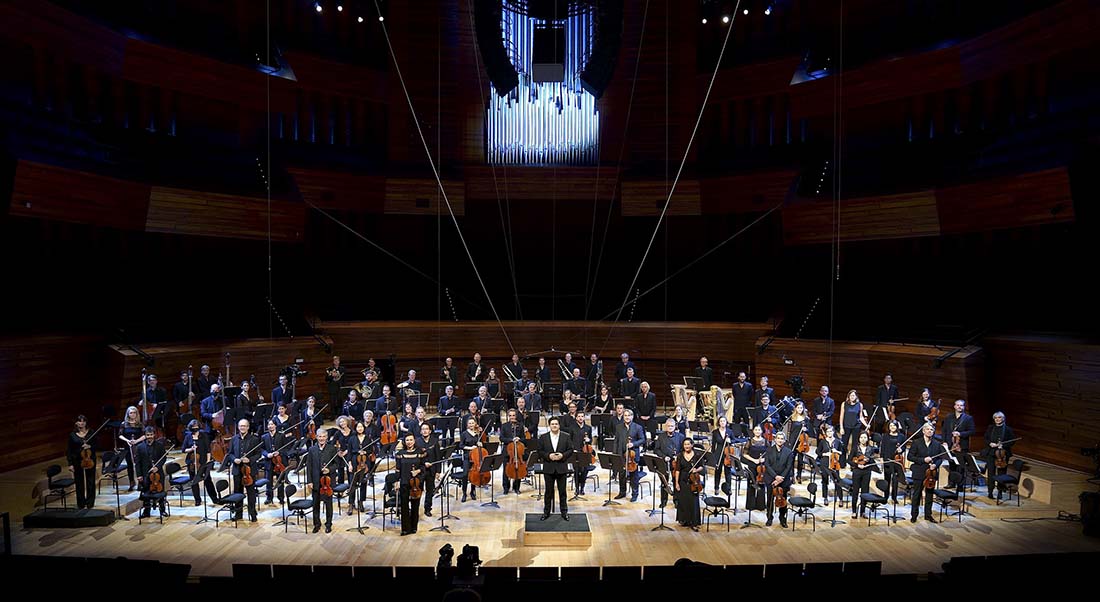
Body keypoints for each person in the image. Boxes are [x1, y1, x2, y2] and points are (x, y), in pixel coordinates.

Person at [908, 422, 945, 522]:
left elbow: (940, 458)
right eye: (928, 429)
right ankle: (914, 515)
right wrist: (923, 460)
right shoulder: (916, 442)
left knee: (929, 495)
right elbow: (910, 457)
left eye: (932, 430)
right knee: (917, 494)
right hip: (919, 472)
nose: (930, 431)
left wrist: (935, 465)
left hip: (931, 473)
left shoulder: (937, 444)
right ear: (923, 431)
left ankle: (928, 515)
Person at [225, 418, 261, 522]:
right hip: (237, 469)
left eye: (244, 426)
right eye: (241, 426)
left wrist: (249, 459)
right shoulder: (234, 439)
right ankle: (238, 513)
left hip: (249, 470)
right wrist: (234, 459)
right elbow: (230, 453)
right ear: (238, 427)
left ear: (248, 427)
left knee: (251, 493)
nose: (242, 428)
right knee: (238, 493)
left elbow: (258, 454)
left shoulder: (254, 439)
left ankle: (252, 514)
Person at [538, 417, 573, 520]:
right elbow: (540, 451)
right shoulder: (543, 437)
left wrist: (562, 455)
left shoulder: (566, 436)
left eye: (556, 424)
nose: (554, 426)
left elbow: (570, 449)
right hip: (549, 468)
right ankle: (546, 512)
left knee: (563, 492)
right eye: (552, 424)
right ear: (549, 426)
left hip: (561, 467)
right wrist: (548, 456)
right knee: (548, 492)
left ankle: (564, 512)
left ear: (559, 425)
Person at [307, 428, 337, 533]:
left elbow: (336, 464)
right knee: (316, 504)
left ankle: (328, 524)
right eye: (320, 436)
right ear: (316, 437)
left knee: (328, 504)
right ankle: (317, 524)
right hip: (315, 481)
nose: (321, 438)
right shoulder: (312, 449)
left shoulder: (332, 448)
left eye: (324, 436)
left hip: (328, 481)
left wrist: (330, 469)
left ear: (327, 437)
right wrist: (309, 481)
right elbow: (309, 466)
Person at [612, 409, 646, 501]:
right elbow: (616, 441)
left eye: (629, 415)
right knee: (622, 475)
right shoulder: (619, 427)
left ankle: (634, 494)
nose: (627, 417)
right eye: (625, 415)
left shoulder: (638, 427)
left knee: (633, 476)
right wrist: (615, 454)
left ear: (632, 416)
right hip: (621, 454)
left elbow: (643, 440)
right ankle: (622, 492)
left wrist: (633, 444)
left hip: (632, 456)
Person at [134, 426, 167, 518]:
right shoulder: (140, 447)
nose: (149, 436)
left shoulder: (160, 445)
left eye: (151, 434)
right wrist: (139, 475)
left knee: (160, 491)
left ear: (154, 435)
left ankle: (162, 510)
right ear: (145, 435)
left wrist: (157, 467)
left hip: (158, 474)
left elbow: (163, 458)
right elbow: (137, 462)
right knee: (146, 493)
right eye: (147, 435)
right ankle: (146, 511)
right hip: (145, 474)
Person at [983, 411, 1016, 500]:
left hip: (1002, 454)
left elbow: (1012, 441)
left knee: (1001, 473)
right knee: (991, 473)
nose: (997, 419)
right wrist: (990, 443)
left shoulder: (1008, 429)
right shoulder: (990, 428)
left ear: (1003, 418)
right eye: (996, 418)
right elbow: (985, 438)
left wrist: (1003, 445)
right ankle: (990, 491)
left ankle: (1000, 492)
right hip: (991, 453)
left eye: (999, 417)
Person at [67, 415, 97, 509]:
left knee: (90, 481)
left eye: (84, 421)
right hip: (77, 460)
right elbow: (69, 450)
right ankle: (81, 503)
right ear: (76, 423)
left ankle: (90, 503)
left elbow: (97, 444)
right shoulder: (72, 435)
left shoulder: (91, 433)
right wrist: (70, 463)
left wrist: (90, 446)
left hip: (90, 458)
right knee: (79, 482)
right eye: (79, 421)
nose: (82, 423)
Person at [396, 433, 424, 536]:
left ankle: (413, 527)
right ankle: (405, 529)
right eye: (407, 440)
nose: (409, 442)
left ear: (414, 441)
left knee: (415, 505)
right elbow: (398, 469)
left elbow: (424, 467)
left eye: (411, 440)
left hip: (416, 482)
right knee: (404, 505)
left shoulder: (420, 452)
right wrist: (397, 481)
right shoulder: (400, 453)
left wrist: (418, 471)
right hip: (404, 481)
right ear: (404, 441)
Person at [764, 432, 793, 528]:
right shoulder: (768, 450)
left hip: (783, 480)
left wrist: (780, 479)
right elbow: (767, 465)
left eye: (782, 438)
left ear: (784, 441)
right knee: (769, 499)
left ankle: (782, 518)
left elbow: (789, 467)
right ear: (775, 439)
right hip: (771, 479)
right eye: (778, 438)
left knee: (783, 500)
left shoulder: (789, 452)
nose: (780, 440)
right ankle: (769, 518)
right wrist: (775, 476)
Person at [654, 418, 685, 509]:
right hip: (664, 462)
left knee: (676, 481)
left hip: (676, 463)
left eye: (672, 426)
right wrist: (664, 457)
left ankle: (676, 500)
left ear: (675, 426)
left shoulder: (681, 436)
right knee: (664, 482)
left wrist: (678, 456)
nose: (670, 427)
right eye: (668, 426)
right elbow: (656, 449)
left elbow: (684, 450)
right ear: (665, 426)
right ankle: (663, 501)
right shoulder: (661, 436)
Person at [673, 438, 703, 530]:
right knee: (683, 501)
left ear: (692, 445)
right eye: (685, 444)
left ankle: (694, 522)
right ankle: (684, 520)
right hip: (683, 480)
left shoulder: (697, 455)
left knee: (693, 501)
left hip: (694, 481)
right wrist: (677, 483)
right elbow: (677, 470)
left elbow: (701, 467)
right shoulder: (680, 456)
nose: (686, 446)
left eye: (688, 444)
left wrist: (696, 470)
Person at [848, 431, 879, 519]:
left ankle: (863, 511)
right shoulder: (855, 448)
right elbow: (849, 460)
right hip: (857, 471)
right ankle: (854, 511)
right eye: (861, 437)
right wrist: (857, 465)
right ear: (859, 438)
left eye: (865, 437)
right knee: (855, 491)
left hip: (867, 472)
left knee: (865, 492)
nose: (863, 439)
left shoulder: (870, 449)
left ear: (868, 438)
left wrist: (870, 461)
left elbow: (872, 461)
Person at [181, 419, 210, 506]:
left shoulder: (204, 435)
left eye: (196, 427)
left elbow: (208, 449)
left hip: (203, 462)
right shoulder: (188, 437)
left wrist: (208, 462)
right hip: (192, 463)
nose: (195, 429)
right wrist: (191, 449)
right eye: (193, 428)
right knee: (194, 482)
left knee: (208, 480)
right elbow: (183, 449)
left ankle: (214, 498)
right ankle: (197, 499)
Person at [500, 409, 528, 494]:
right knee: (506, 470)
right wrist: (511, 440)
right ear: (508, 416)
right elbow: (501, 438)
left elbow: (524, 439)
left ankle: (516, 487)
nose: (512, 417)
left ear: (516, 416)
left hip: (518, 451)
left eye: (513, 415)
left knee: (518, 469)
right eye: (510, 415)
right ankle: (506, 487)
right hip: (507, 451)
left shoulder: (520, 425)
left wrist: (519, 439)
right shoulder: (504, 426)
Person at [742, 424, 768, 514]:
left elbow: (769, 454)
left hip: (762, 466)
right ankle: (750, 505)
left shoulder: (765, 441)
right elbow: (745, 454)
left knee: (761, 484)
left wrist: (763, 459)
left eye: (759, 430)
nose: (757, 431)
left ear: (761, 431)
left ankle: (760, 505)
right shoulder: (749, 441)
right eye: (756, 430)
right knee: (751, 484)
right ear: (753, 431)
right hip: (752, 465)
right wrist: (754, 460)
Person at [118, 405, 145, 491]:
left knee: (139, 464)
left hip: (138, 446)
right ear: (128, 414)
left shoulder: (140, 424)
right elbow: (120, 435)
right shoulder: (124, 424)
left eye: (134, 413)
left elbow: (144, 435)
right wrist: (127, 441)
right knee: (130, 464)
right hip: (128, 446)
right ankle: (131, 482)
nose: (132, 414)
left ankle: (140, 483)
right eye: (131, 413)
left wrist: (137, 441)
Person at [415, 422, 438, 517]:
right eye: (423, 429)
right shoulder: (417, 441)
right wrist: (424, 463)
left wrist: (438, 471)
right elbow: (416, 457)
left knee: (430, 490)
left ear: (430, 431)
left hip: (431, 470)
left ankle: (428, 508)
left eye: (426, 429)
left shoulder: (435, 441)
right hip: (421, 470)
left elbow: (438, 457)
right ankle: (415, 509)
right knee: (418, 490)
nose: (425, 431)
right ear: (420, 431)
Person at [879, 420, 906, 503]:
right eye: (891, 426)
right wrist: (881, 458)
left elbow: (904, 447)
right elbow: (882, 447)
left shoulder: (901, 436)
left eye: (894, 426)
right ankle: (885, 497)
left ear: (897, 426)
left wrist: (901, 449)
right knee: (887, 479)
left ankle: (894, 497)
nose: (892, 427)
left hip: (896, 460)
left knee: (895, 480)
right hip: (887, 459)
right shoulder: (885, 436)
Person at [710, 415, 737, 496]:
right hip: (718, 453)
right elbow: (713, 444)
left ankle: (728, 488)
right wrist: (713, 455)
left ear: (726, 422)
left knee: (727, 472)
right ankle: (716, 488)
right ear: (719, 422)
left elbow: (734, 440)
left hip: (727, 453)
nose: (722, 422)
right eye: (721, 421)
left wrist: (730, 441)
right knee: (717, 471)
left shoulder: (729, 431)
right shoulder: (715, 432)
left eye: (724, 421)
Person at [817, 424, 844, 502]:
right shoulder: (823, 441)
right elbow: (817, 451)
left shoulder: (838, 441)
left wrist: (837, 451)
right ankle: (825, 497)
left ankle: (840, 498)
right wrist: (824, 454)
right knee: (825, 480)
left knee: (837, 481)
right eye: (828, 432)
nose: (829, 433)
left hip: (835, 463)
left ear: (833, 432)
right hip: (824, 463)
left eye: (831, 431)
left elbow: (842, 453)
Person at [838, 389, 865, 467]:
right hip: (846, 426)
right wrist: (841, 427)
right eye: (851, 395)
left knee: (854, 446)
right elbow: (841, 416)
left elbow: (861, 417)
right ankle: (842, 463)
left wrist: (866, 425)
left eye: (854, 395)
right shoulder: (844, 404)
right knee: (844, 444)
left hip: (856, 426)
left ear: (856, 396)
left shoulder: (860, 405)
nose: (852, 397)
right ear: (848, 396)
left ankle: (853, 463)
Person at [787, 400, 811, 483]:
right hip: (793, 440)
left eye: (801, 408)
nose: (800, 409)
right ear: (795, 408)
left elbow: (810, 431)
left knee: (800, 460)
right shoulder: (792, 418)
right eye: (798, 408)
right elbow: (789, 430)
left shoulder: (806, 418)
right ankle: (792, 475)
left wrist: (806, 429)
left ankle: (799, 475)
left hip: (802, 442)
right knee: (792, 459)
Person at [459, 417, 483, 502]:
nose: (471, 425)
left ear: (475, 424)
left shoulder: (477, 434)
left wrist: (480, 444)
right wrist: (470, 448)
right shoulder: (464, 434)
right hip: (467, 457)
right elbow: (461, 446)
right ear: (467, 425)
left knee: (474, 474)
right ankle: (464, 493)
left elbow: (480, 444)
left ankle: (473, 491)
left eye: (473, 423)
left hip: (475, 458)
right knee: (465, 475)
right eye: (469, 423)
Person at [571, 410, 594, 496]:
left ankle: (582, 488)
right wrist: (573, 449)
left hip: (585, 452)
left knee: (584, 471)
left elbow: (591, 440)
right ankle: (577, 488)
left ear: (584, 417)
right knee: (576, 471)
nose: (580, 418)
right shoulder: (572, 428)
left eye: (582, 416)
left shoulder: (588, 428)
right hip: (576, 452)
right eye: (579, 416)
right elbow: (569, 440)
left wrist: (589, 440)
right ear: (576, 418)